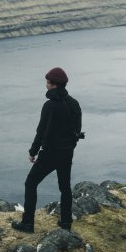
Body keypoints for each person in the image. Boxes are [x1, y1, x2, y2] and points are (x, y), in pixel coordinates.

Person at [12, 67, 82, 233]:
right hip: (66, 152)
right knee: (65, 187)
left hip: (50, 153)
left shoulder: (49, 106)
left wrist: (33, 152)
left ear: (53, 85)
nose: (45, 84)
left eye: (47, 81)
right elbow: (77, 130)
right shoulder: (74, 103)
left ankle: (28, 224)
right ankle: (66, 223)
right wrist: (70, 147)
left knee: (31, 183)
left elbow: (41, 131)